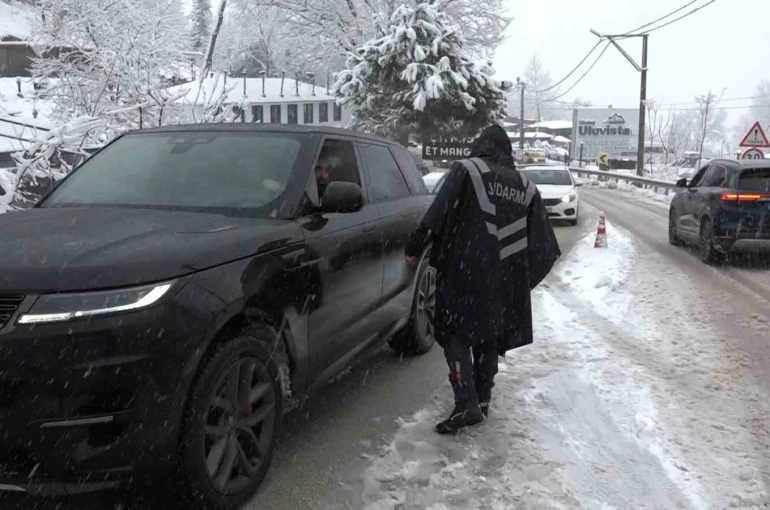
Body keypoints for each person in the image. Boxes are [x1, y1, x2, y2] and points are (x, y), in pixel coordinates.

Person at [405, 125, 561, 434]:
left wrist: (416, 245)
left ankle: (466, 402)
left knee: (455, 333)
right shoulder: (526, 186)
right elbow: (545, 247)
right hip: (505, 279)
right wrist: (520, 279)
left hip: (467, 268)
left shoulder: (468, 169)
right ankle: (483, 399)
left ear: (481, 145)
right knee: (489, 334)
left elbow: (439, 210)